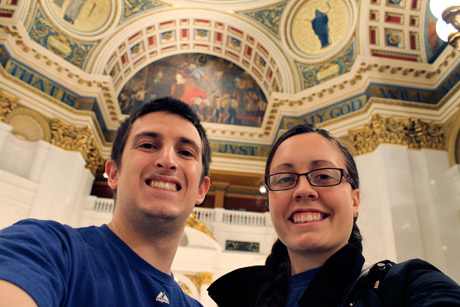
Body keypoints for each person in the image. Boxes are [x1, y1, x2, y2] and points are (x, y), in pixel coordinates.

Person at [207, 123, 460, 306]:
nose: (303, 190)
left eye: (324, 176)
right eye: (285, 179)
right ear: (270, 202)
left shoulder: (405, 285)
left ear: (354, 201)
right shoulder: (241, 297)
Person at [0, 97, 211, 306]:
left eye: (185, 152)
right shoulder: (45, 248)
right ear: (113, 173)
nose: (167, 160)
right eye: (147, 145)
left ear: (201, 190)